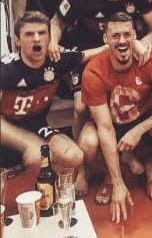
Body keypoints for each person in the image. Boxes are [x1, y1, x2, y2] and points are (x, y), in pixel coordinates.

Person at [48, 0, 152, 161]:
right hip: (89, 55)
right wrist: (53, 42)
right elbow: (56, 22)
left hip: (124, 52)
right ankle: (81, 161)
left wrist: (142, 43)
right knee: (80, 107)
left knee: (132, 97)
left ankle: (125, 153)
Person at [79, 12, 152, 222]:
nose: (122, 41)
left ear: (135, 36)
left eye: (127, 34)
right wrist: (118, 184)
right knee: (87, 144)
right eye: (115, 36)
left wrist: (139, 130)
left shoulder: (151, 60)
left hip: (143, 118)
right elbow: (105, 128)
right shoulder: (94, 71)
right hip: (111, 121)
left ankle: (151, 167)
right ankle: (111, 175)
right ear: (106, 39)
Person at [0, 11, 103, 170]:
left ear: (49, 38)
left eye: (42, 33)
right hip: (7, 135)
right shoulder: (6, 70)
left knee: (74, 156)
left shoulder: (56, 60)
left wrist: (134, 44)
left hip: (37, 128)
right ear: (18, 40)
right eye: (29, 34)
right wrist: (27, 143)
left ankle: (49, 183)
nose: (36, 38)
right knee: (32, 158)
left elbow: (92, 53)